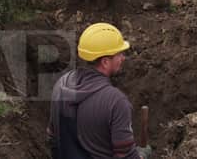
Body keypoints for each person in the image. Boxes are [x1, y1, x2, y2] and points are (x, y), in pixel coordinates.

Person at [47, 23, 151, 159]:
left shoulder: (61, 85)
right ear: (106, 62)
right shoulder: (116, 102)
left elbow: (52, 138)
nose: (123, 58)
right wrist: (141, 155)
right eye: (119, 54)